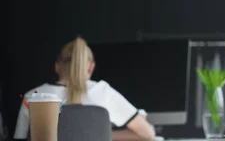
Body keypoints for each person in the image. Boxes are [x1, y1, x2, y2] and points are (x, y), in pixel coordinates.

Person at [14, 37, 155, 141]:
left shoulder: (33, 96)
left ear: (57, 66)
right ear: (90, 67)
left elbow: (19, 138)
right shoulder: (103, 92)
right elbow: (148, 133)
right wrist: (99, 134)